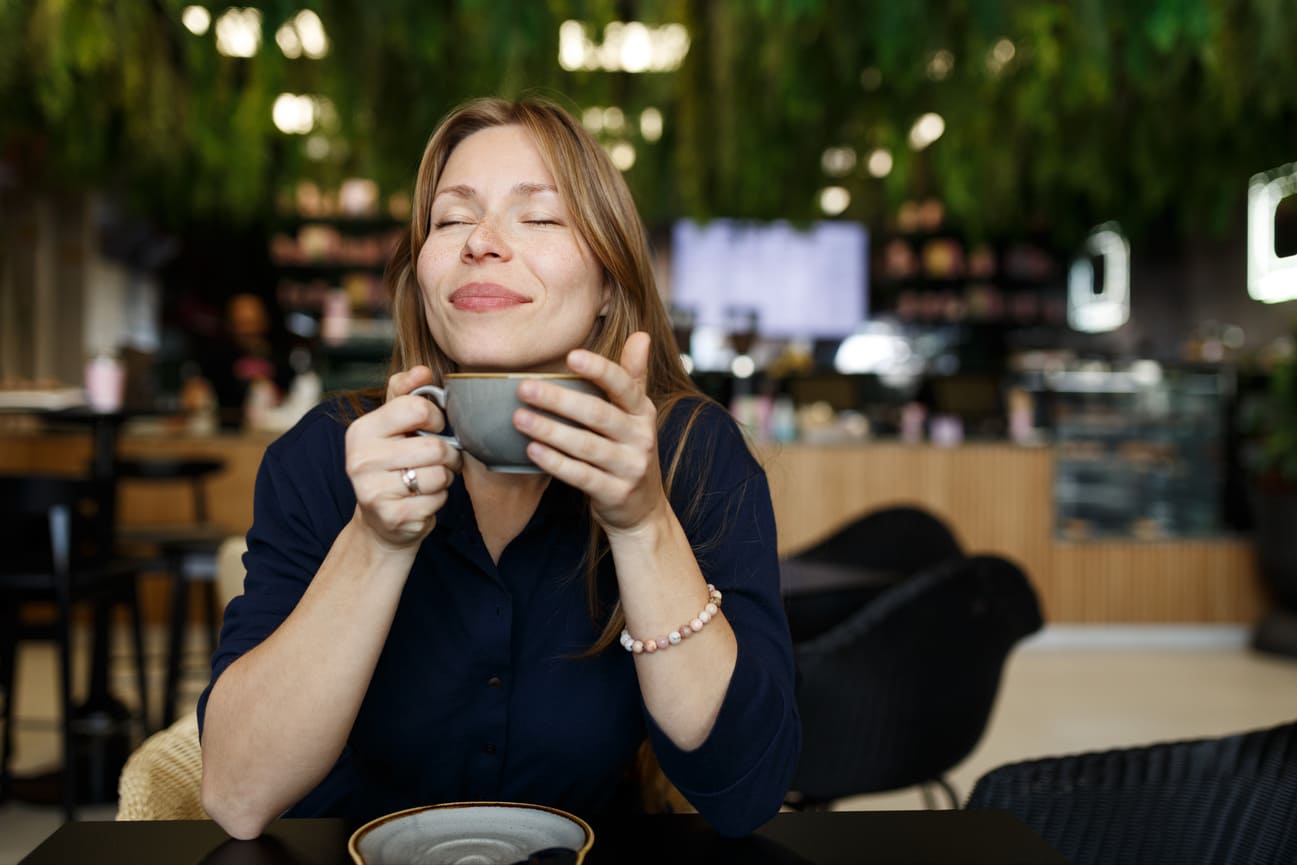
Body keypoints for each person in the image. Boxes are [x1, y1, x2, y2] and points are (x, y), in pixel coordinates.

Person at [197, 96, 800, 840]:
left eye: (538, 216)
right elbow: (237, 795)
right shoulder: (328, 452)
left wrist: (643, 525)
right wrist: (375, 539)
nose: (480, 241)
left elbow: (745, 791)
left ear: (610, 282)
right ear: (421, 276)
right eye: (450, 219)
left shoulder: (689, 452)